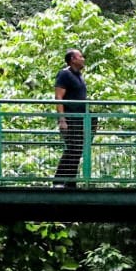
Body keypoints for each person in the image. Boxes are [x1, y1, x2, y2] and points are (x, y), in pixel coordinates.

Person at [53, 48, 89, 187]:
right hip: (70, 118)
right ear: (73, 59)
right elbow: (58, 97)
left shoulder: (79, 75)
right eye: (80, 56)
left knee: (78, 149)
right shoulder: (64, 74)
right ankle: (59, 181)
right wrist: (62, 119)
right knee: (72, 148)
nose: (83, 58)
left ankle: (70, 182)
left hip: (80, 119)